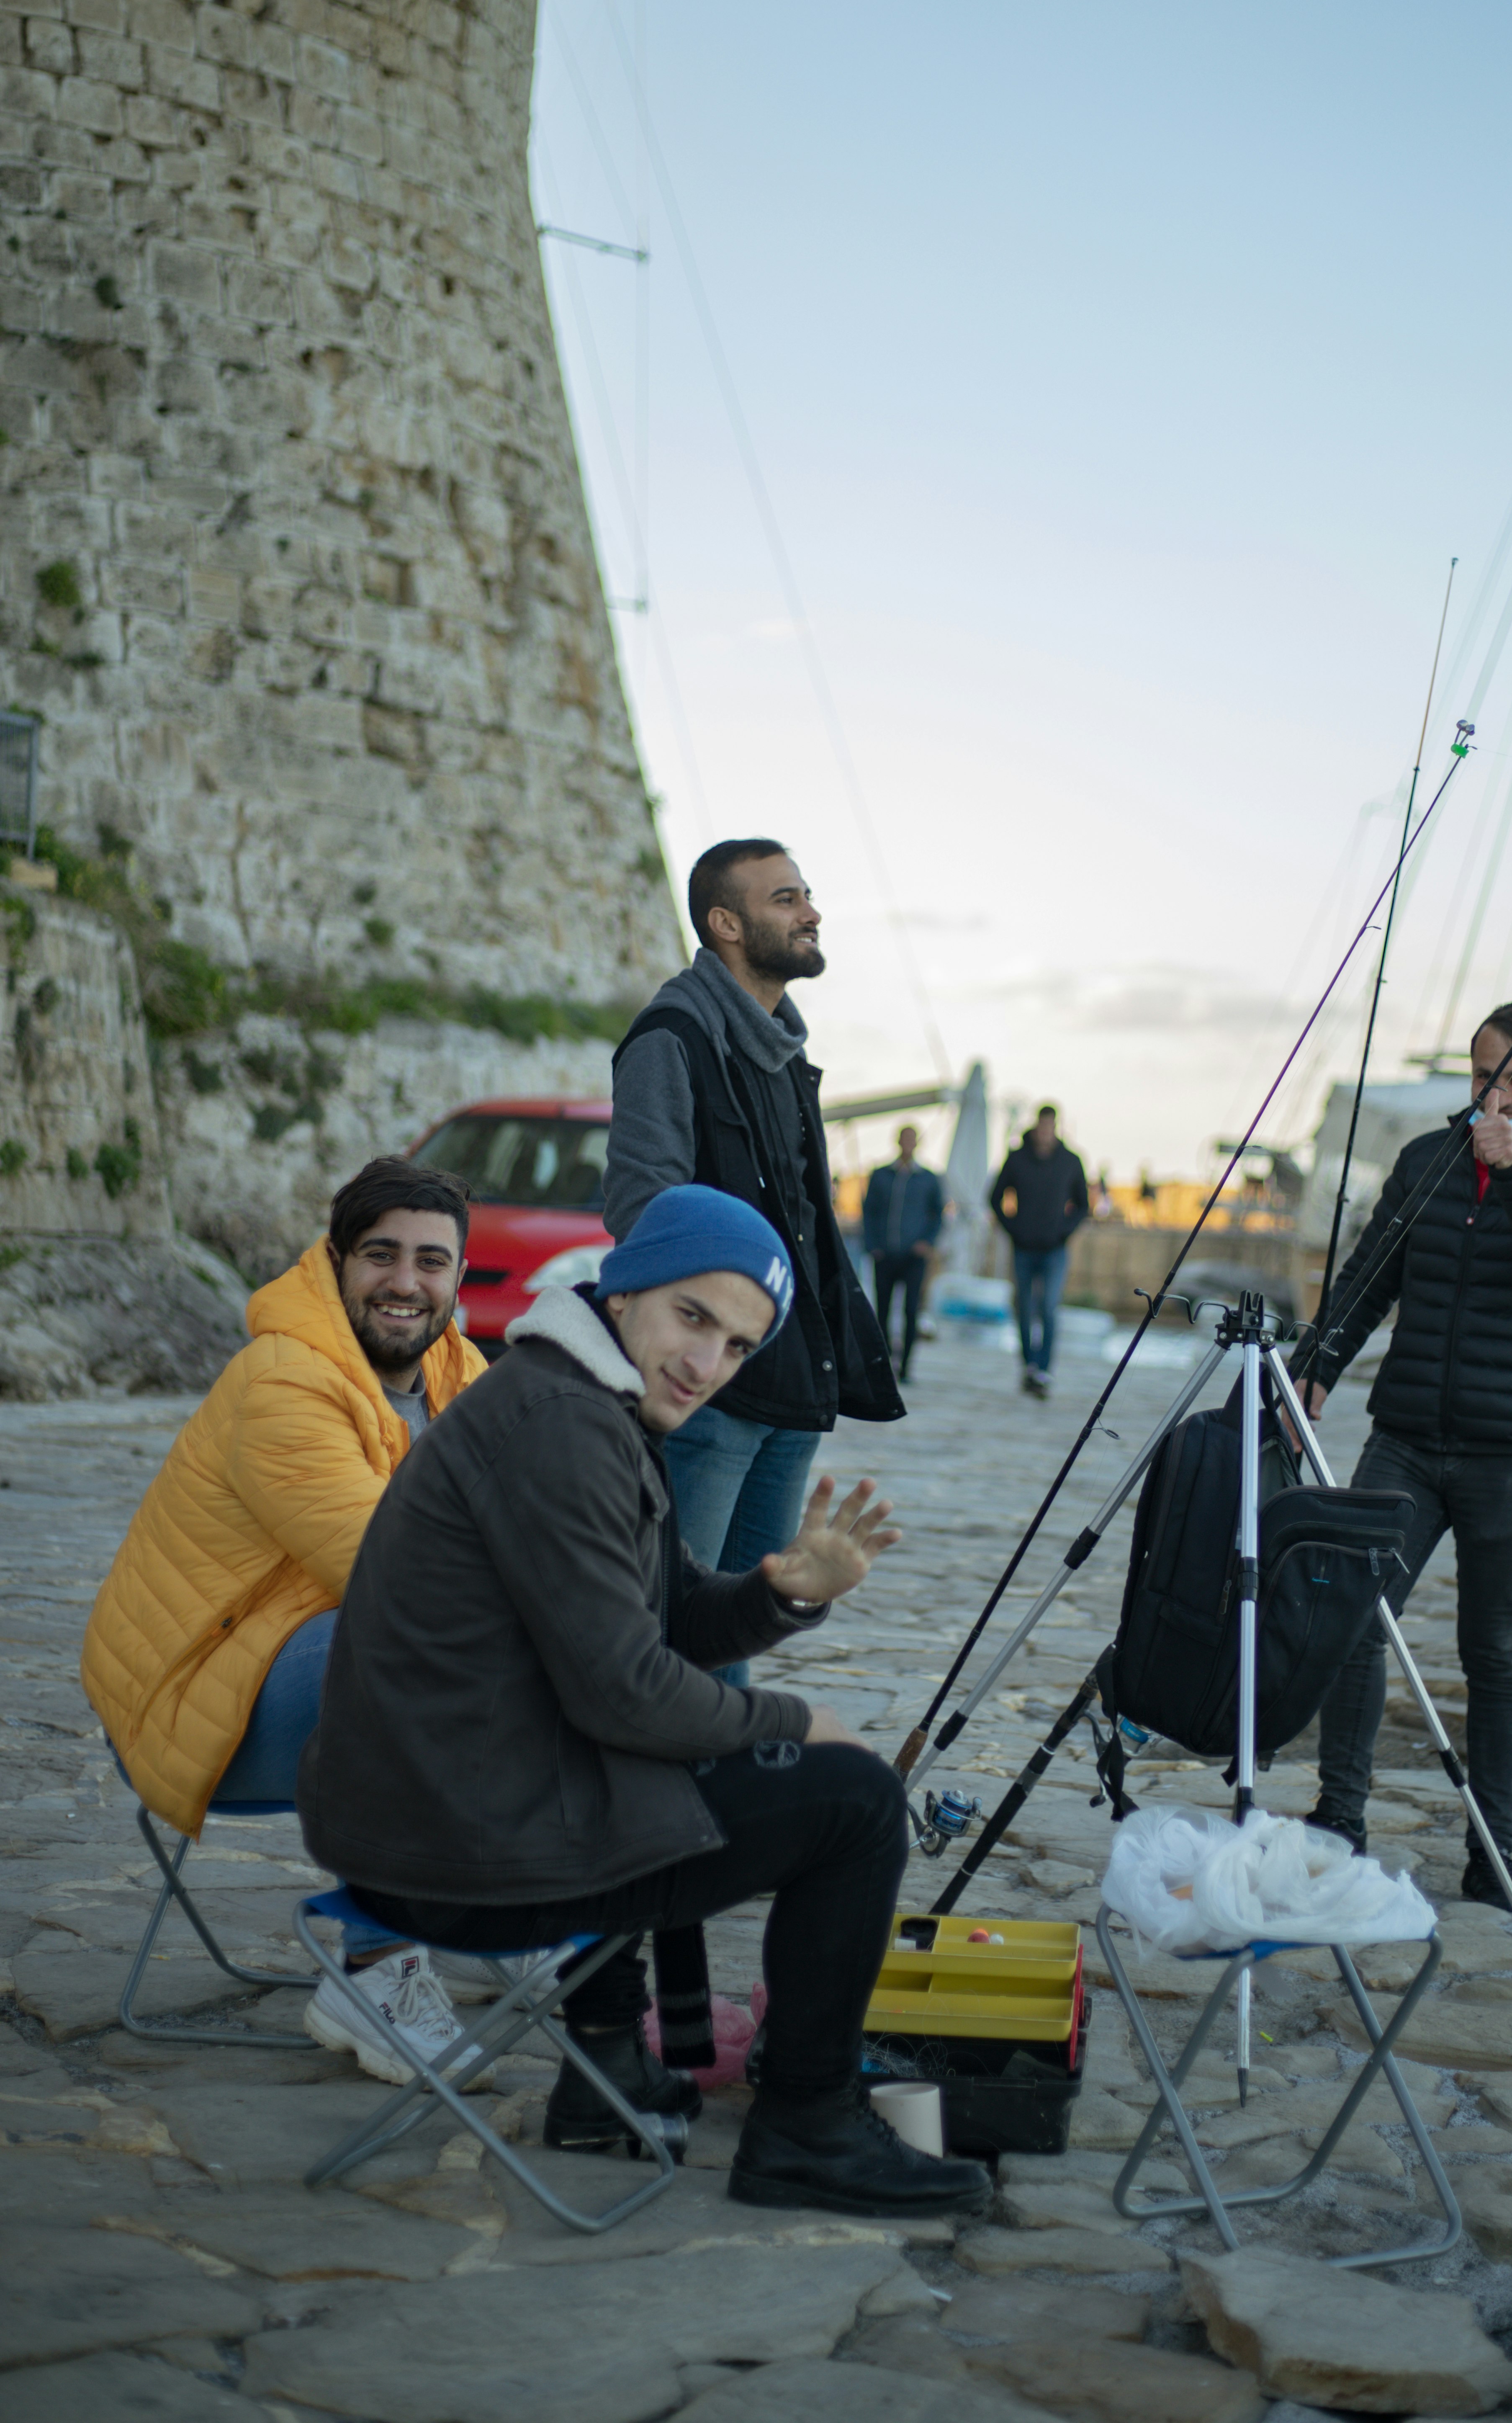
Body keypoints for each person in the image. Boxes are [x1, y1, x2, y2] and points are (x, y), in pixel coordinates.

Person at [297, 1184, 993, 2220]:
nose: (707, 1364)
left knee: (691, 1762)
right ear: (622, 1294)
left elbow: (661, 1622)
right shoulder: (561, 1426)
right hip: (450, 1854)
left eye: (739, 1346)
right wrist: (803, 1725)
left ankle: (608, 2078)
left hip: (447, 1810)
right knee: (847, 1804)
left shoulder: (582, 1402)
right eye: (693, 1317)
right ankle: (808, 2127)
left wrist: (781, 1592)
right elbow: (628, 1694)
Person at [81, 1158, 490, 2081]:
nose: (406, 1283)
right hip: (194, 1702)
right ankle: (371, 1963)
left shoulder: (456, 1369)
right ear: (336, 1262)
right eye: (381, 1255)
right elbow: (392, 1574)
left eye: (432, 1262)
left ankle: (472, 1926)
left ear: (458, 1279)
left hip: (295, 1671)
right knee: (419, 1640)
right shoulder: (286, 1380)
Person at [1285, 1001, 1512, 1910]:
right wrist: (1315, 1365)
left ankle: (1492, 1852)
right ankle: (1339, 1820)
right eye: (1484, 1076)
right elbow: (1369, 1278)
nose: (1496, 1094)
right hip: (1405, 1439)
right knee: (1355, 1617)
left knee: (1494, 1653)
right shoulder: (1424, 1162)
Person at [602, 841, 902, 1679]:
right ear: (724, 924)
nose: (809, 913)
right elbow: (640, 1210)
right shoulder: (673, 1038)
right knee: (671, 1626)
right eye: (784, 900)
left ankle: (717, 1799)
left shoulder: (781, 1053)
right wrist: (708, 1331)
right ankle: (651, 1802)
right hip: (711, 1390)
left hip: (793, 1382)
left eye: (805, 895)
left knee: (739, 1629)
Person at [989, 1105, 1090, 1396]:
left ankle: (1044, 1370)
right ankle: (1029, 1366)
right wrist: (1013, 1229)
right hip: (1023, 1248)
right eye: (1041, 1127)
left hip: (1055, 1250)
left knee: (1048, 1307)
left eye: (1050, 1127)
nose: (1045, 1133)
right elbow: (995, 1198)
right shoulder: (1017, 1159)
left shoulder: (1071, 1161)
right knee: (1023, 1307)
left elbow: (1083, 1205)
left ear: (1056, 1127)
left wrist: (1064, 1231)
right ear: (1035, 1127)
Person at [861, 1124, 946, 1381]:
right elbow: (869, 1212)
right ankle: (884, 1361)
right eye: (904, 1139)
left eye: (912, 1139)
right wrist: (873, 1244)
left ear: (917, 1143)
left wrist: (927, 1242)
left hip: (914, 1257)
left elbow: (939, 1215)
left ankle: (907, 1365)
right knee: (883, 1310)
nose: (908, 1143)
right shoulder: (881, 1175)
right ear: (898, 1141)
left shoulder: (929, 1179)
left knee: (911, 1311)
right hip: (885, 1254)